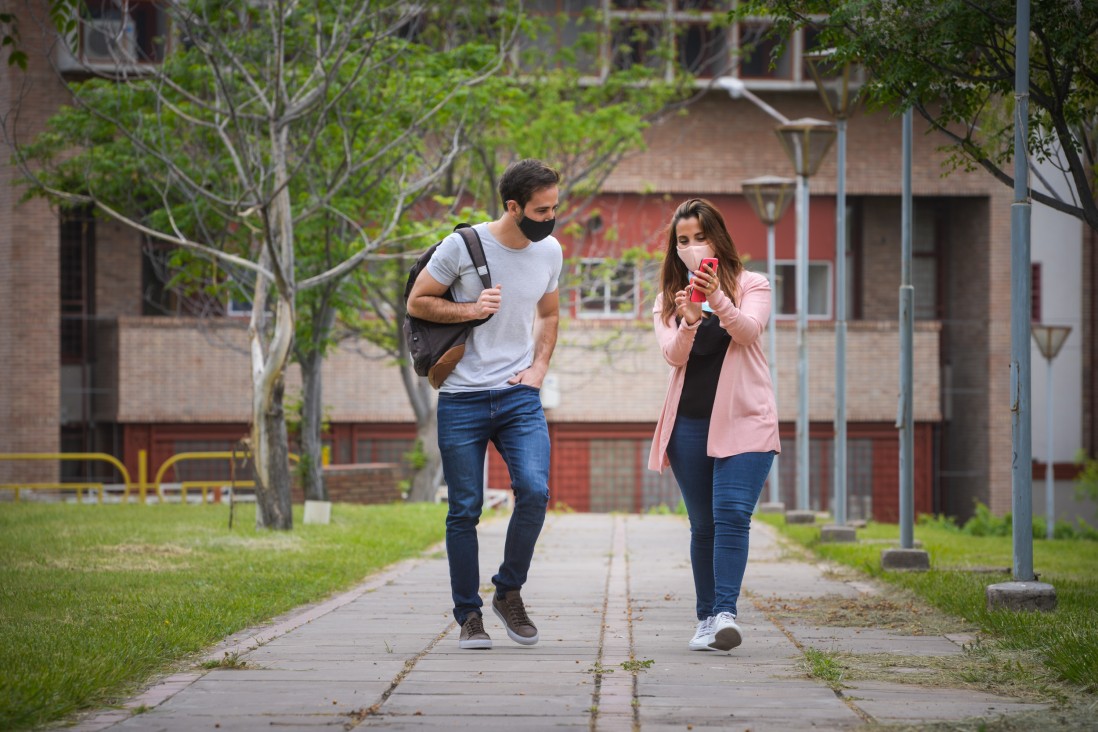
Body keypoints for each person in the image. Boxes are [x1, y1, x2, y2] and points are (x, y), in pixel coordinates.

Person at [406, 158, 563, 650]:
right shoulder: (463, 245)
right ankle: (468, 615)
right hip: (462, 397)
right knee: (465, 509)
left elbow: (550, 313)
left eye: (555, 207)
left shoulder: (550, 250)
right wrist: (472, 309)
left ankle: (508, 590)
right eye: (541, 209)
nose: (550, 217)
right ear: (513, 206)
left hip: (519, 396)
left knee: (534, 492)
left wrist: (538, 370)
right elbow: (418, 301)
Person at [647, 198, 780, 652]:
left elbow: (747, 331)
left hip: (747, 422)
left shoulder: (752, 284)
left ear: (717, 238)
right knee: (703, 525)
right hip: (688, 427)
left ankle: (726, 612)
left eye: (699, 237)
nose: (691, 247)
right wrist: (687, 319)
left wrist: (716, 297)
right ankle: (706, 619)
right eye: (682, 241)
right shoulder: (669, 299)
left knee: (731, 517)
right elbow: (674, 356)